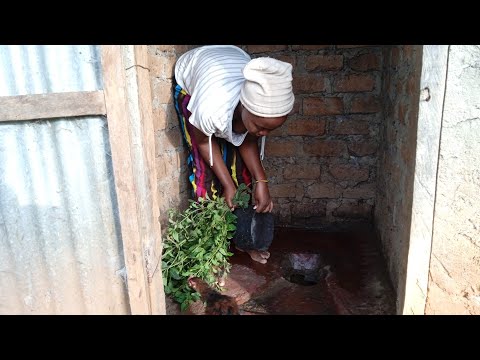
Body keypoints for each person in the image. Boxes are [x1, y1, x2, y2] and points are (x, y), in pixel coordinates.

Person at [173, 45, 294, 264]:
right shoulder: (210, 107)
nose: (264, 133)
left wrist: (261, 181)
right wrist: (227, 185)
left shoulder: (258, 111)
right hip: (194, 77)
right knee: (205, 176)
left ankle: (243, 240)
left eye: (270, 130)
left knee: (243, 176)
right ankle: (210, 251)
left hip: (231, 62)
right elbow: (203, 143)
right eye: (260, 126)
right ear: (244, 107)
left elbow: (248, 141)